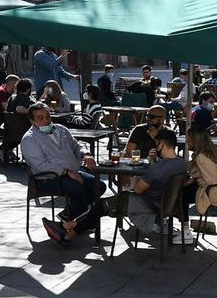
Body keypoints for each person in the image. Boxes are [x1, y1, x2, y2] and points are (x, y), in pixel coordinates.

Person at [22, 102, 104, 247]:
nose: (46, 120)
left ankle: (64, 222)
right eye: (40, 118)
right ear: (32, 121)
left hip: (73, 171)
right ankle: (78, 222)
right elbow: (41, 165)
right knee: (77, 187)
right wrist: (66, 172)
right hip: (47, 177)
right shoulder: (29, 139)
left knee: (99, 186)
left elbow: (76, 146)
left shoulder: (60, 129)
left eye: (47, 116)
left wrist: (86, 154)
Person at [124, 130, 189, 245]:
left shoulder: (157, 168)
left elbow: (138, 190)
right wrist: (154, 162)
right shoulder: (182, 164)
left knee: (104, 205)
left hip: (149, 205)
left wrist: (151, 167)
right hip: (170, 204)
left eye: (156, 143)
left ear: (161, 144)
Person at [186, 124, 217, 217]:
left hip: (215, 193)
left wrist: (195, 177)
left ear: (195, 140)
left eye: (188, 139)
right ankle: (185, 222)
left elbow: (212, 180)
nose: (187, 141)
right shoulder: (211, 151)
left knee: (181, 193)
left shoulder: (202, 157)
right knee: (185, 190)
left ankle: (184, 222)